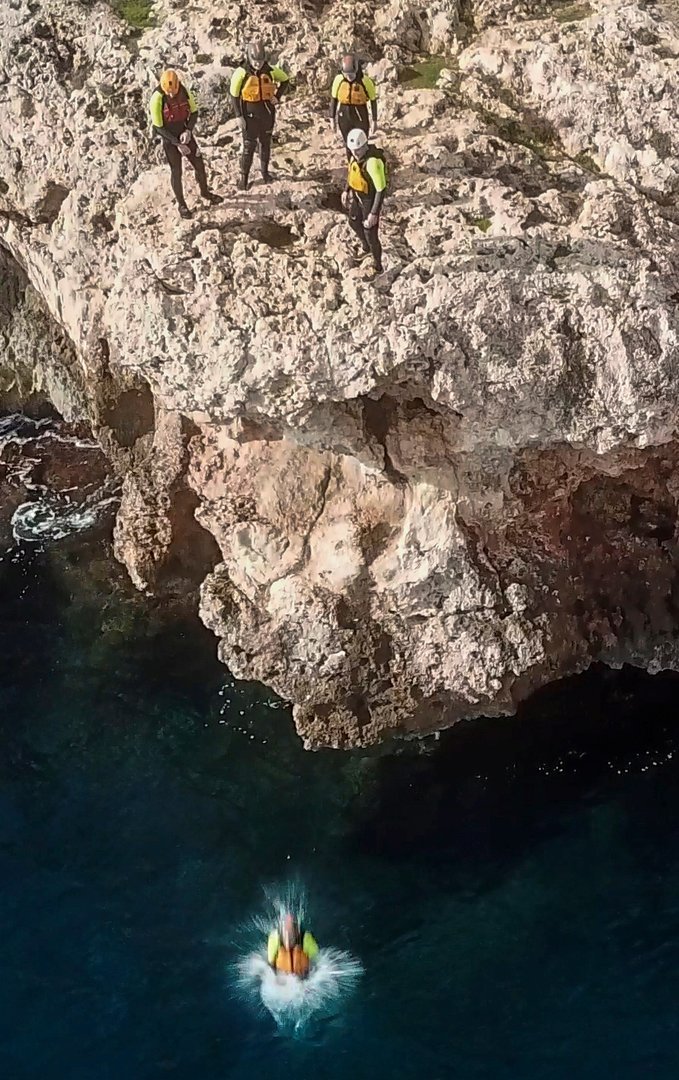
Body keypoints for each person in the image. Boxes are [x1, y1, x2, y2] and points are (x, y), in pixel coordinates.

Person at [149, 69, 223, 219]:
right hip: (170, 140)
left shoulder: (184, 91)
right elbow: (158, 127)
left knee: (199, 164)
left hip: (185, 134)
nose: (171, 95)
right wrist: (176, 143)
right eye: (168, 92)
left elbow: (194, 112)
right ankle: (182, 205)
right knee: (176, 172)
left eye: (173, 92)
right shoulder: (157, 98)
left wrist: (188, 130)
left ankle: (205, 192)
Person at [229, 41, 291, 190]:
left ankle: (265, 173)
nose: (258, 64)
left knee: (265, 144)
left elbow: (285, 79)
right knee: (248, 147)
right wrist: (239, 116)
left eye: (260, 61)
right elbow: (233, 95)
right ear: (249, 58)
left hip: (267, 114)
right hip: (249, 116)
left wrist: (278, 96)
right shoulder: (241, 73)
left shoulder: (270, 70)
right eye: (255, 61)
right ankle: (243, 179)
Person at [344, 128, 387, 274]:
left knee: (371, 234)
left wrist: (374, 213)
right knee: (353, 222)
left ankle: (378, 266)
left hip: (370, 199)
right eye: (352, 150)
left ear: (365, 146)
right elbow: (352, 173)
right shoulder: (354, 157)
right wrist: (346, 190)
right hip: (358, 196)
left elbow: (381, 189)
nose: (355, 153)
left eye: (358, 150)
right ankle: (366, 247)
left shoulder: (372, 163)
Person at [330, 54, 377, 153]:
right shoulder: (339, 80)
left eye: (351, 74)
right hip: (344, 114)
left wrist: (374, 121)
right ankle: (351, 165)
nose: (349, 77)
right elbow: (333, 99)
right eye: (346, 74)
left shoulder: (365, 81)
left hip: (360, 113)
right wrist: (332, 119)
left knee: (362, 143)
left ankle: (363, 165)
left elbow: (373, 100)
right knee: (348, 143)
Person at [267, 912, 319, 978]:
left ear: (297, 933)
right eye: (286, 939)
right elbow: (270, 964)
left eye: (292, 939)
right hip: (282, 978)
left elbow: (316, 961)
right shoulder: (274, 938)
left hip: (303, 976)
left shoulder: (306, 938)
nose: (288, 943)